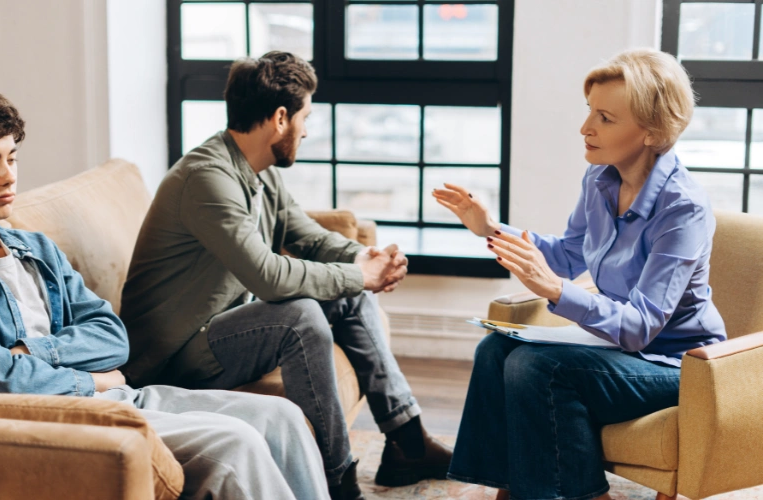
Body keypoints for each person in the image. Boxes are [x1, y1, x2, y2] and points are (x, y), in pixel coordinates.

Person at [0, 87, 329, 500]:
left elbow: (112, 336)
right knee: (237, 443)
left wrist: (33, 350)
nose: (7, 177)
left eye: (11, 158)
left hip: (118, 397)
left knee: (281, 417)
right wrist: (92, 378)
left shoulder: (33, 246)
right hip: (52, 422)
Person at [120, 51, 453, 500]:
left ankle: (407, 443)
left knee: (347, 292)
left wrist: (368, 258)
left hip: (220, 326)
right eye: (305, 116)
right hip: (173, 355)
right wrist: (359, 276)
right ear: (280, 118)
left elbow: (311, 237)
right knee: (300, 318)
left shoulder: (259, 172)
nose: (307, 129)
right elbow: (268, 276)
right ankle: (339, 483)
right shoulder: (206, 179)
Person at [433, 48, 727, 500]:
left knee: (540, 367)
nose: (585, 127)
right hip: (619, 351)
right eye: (589, 110)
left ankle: (583, 495)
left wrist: (555, 289)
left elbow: (642, 326)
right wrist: (490, 229)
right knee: (495, 349)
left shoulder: (682, 208)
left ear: (651, 131)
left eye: (605, 118)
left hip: (680, 366)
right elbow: (570, 254)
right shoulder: (600, 180)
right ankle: (511, 488)